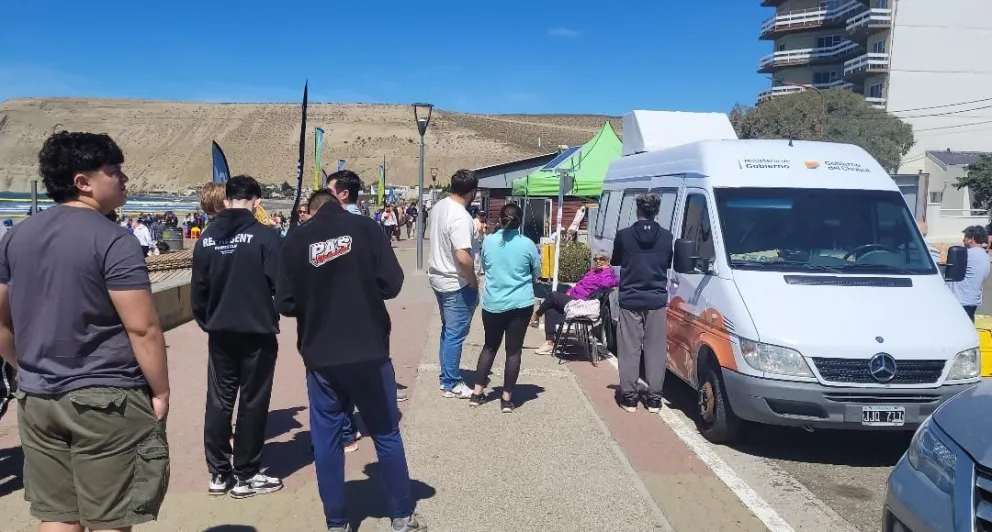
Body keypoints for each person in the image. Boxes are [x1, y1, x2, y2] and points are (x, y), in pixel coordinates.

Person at [0, 131, 171, 530]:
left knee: (57, 516)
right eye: (114, 171)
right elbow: (143, 328)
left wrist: (23, 365)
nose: (125, 179)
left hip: (38, 398)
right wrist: (160, 391)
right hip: (105, 400)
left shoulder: (16, 236)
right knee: (112, 518)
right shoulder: (114, 240)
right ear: (84, 182)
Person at [276, 185, 423, 532]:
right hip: (368, 349)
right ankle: (401, 514)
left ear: (310, 211)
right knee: (386, 432)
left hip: (321, 355)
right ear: (340, 204)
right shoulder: (367, 228)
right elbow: (392, 283)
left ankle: (337, 522)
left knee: (326, 439)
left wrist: (315, 298)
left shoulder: (296, 240)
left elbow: (284, 303)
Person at [191, 175, 284, 498]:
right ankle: (245, 472)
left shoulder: (206, 238)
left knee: (219, 399)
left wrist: (208, 321)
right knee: (253, 401)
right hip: (256, 330)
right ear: (256, 201)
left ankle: (219, 470)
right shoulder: (265, 237)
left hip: (220, 331)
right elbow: (280, 286)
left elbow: (198, 291)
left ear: (227, 200)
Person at [329, 171, 409, 404]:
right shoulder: (370, 226)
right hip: (368, 310)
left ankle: (349, 422)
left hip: (337, 313)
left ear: (343, 194)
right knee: (373, 356)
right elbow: (392, 279)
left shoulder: (339, 227)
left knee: (340, 368)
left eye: (329, 190)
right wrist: (372, 294)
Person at [470, 203, 541, 413]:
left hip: (493, 303)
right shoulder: (527, 244)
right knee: (513, 350)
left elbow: (484, 266)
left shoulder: (489, 242)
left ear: (500, 220)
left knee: (489, 346)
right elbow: (537, 272)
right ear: (520, 221)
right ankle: (507, 399)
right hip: (520, 303)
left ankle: (477, 392)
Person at [611, 192, 673, 414]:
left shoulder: (624, 235)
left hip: (630, 297)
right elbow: (667, 263)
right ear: (656, 212)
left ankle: (629, 397)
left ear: (638, 210)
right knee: (655, 349)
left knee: (629, 349)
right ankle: (654, 399)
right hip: (656, 299)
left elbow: (616, 260)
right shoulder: (667, 237)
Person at [428, 169, 480, 399]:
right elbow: (462, 256)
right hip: (455, 281)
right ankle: (451, 381)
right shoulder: (460, 217)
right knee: (455, 333)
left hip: (439, 276)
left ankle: (445, 376)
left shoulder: (440, 206)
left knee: (448, 331)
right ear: (472, 192)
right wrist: (473, 281)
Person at [531, 251, 619, 355]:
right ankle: (550, 343)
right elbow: (580, 285)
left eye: (602, 259)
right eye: (596, 259)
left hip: (583, 304)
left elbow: (606, 284)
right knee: (551, 307)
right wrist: (569, 292)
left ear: (608, 261)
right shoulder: (592, 272)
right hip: (574, 299)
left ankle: (536, 316)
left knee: (552, 295)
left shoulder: (608, 274)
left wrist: (606, 269)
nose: (598, 261)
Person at [947, 225, 991, 322]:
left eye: (965, 238)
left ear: (971, 239)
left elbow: (946, 269)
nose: (963, 240)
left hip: (960, 301)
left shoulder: (966, 254)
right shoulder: (985, 256)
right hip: (972, 301)